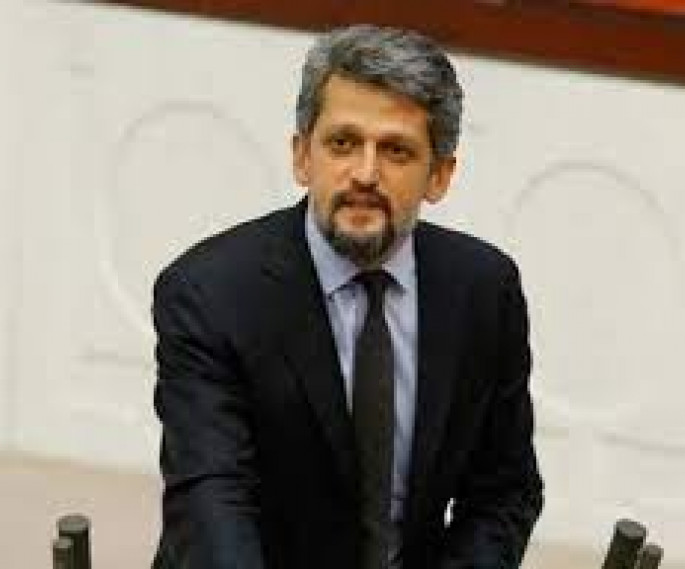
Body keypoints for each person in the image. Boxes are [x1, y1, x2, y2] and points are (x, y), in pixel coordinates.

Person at [152, 24, 543, 569]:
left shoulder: (483, 290)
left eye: (396, 151)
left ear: (439, 175)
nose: (365, 174)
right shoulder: (210, 293)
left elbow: (503, 492)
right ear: (301, 156)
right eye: (343, 143)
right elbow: (210, 499)